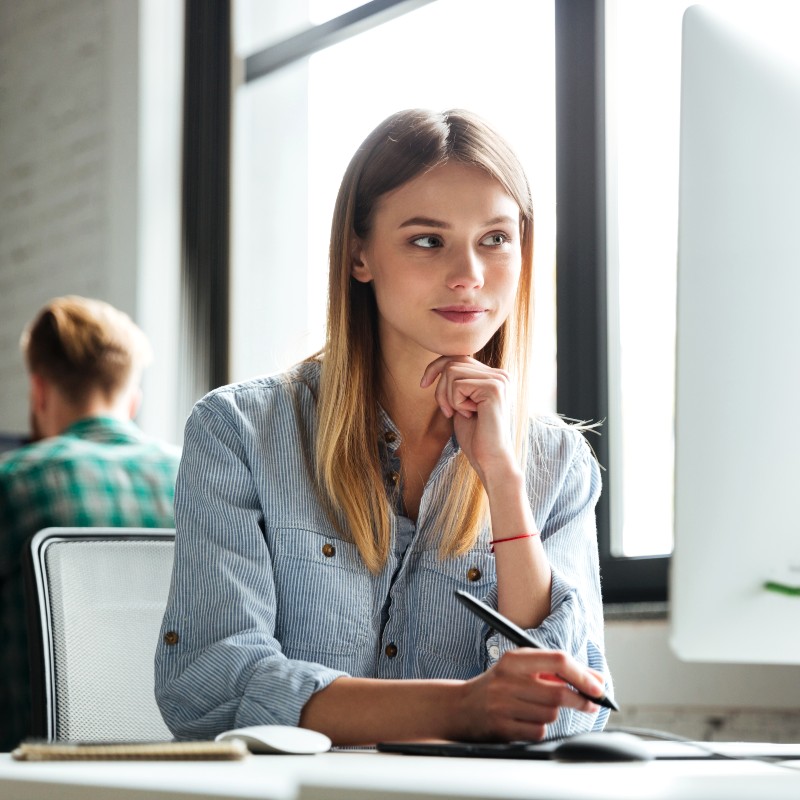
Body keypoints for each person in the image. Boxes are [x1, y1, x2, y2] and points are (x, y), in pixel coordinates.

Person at [155, 109, 611, 746]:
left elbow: (568, 706)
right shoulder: (241, 431)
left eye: (496, 239)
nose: (469, 275)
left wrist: (505, 486)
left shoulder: (555, 462)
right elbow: (210, 684)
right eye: (428, 240)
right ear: (359, 255)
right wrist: (458, 709)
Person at [0, 295, 181, 750]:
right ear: (133, 400)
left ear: (39, 391)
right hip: (185, 764)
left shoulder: (14, 482)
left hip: (32, 773)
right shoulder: (203, 478)